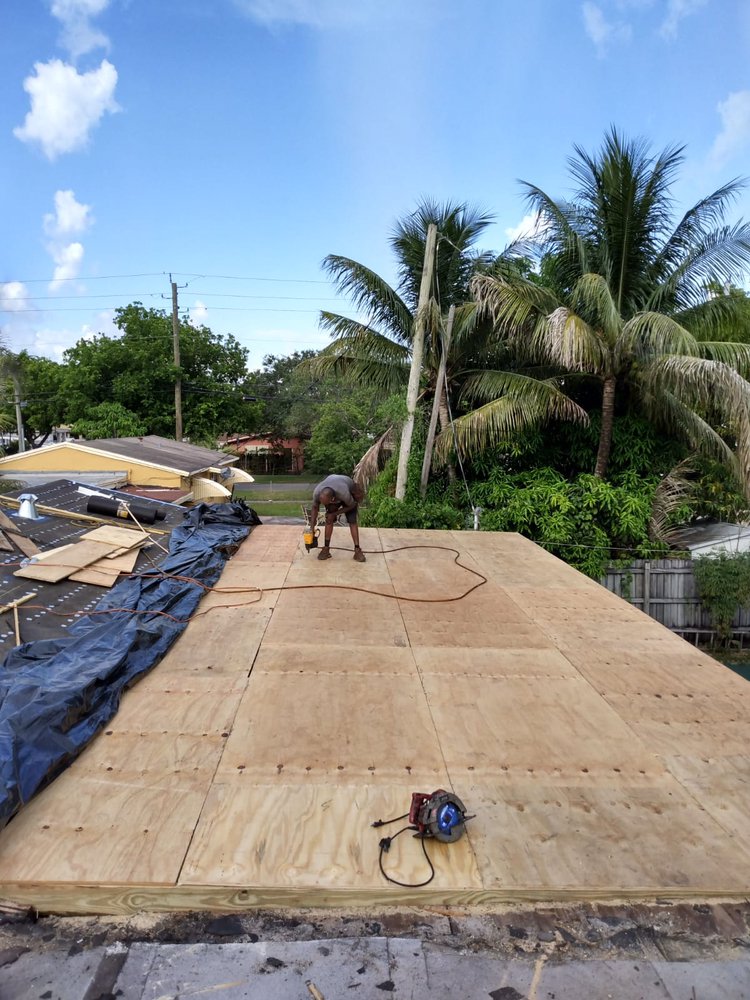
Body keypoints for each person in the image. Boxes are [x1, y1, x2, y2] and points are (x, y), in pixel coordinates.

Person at [309, 474, 366, 562]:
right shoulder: (317, 492)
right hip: (334, 487)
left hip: (348, 492)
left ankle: (357, 550)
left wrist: (335, 513)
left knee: (352, 521)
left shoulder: (344, 493)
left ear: (333, 499)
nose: (325, 506)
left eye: (327, 504)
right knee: (329, 519)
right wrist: (311, 528)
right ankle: (326, 549)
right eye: (324, 504)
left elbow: (352, 505)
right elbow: (315, 508)